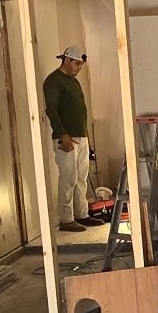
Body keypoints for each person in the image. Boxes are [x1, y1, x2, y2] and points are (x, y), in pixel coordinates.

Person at [43, 46, 99, 232]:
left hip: (80, 136)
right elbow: (51, 109)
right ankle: (66, 219)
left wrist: (86, 138)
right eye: (76, 64)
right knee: (68, 177)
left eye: (81, 65)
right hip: (66, 138)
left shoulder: (73, 81)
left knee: (81, 177)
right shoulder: (53, 81)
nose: (79, 68)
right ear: (66, 60)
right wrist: (63, 135)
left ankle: (81, 214)